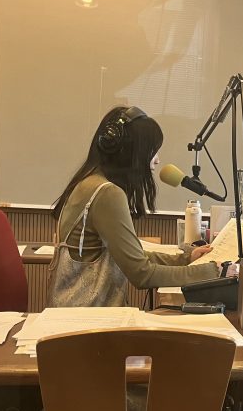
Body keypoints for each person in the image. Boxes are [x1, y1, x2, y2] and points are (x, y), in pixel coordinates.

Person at [47, 105, 219, 307]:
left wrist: (186, 259)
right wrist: (211, 271)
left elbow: (131, 256)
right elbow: (141, 274)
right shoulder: (107, 193)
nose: (157, 160)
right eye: (152, 151)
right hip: (88, 320)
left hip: (72, 315)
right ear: (133, 153)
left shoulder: (87, 181)